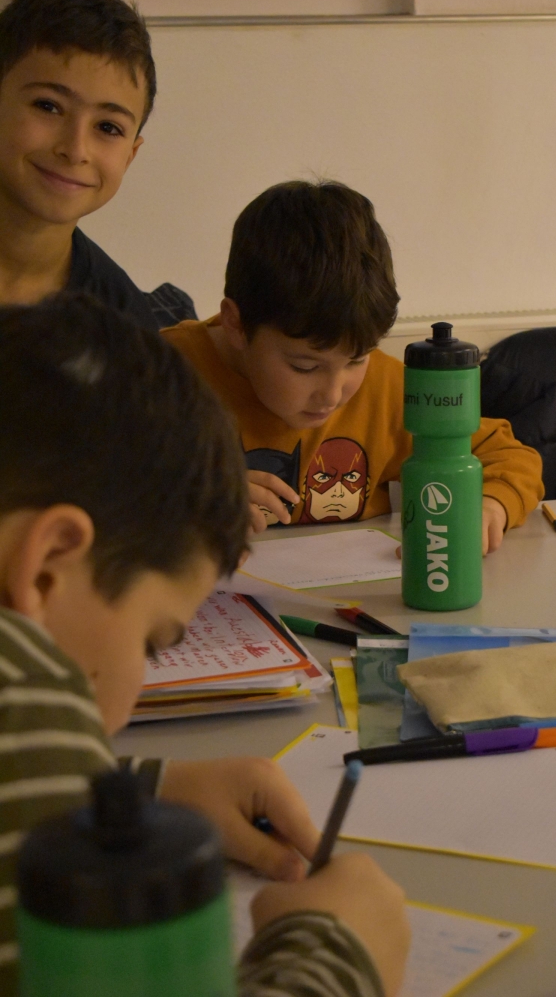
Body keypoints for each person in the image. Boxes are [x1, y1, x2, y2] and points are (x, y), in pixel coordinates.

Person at [0, 292, 409, 997]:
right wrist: (336, 953)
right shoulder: (19, 696)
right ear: (46, 566)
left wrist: (134, 788)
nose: (119, 714)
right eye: (151, 641)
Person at [164, 180, 543, 552]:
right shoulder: (156, 377)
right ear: (236, 324)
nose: (333, 394)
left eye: (357, 359)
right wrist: (178, 499)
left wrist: (490, 505)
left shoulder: (386, 388)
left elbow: (510, 456)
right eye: (305, 367)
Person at [0, 0, 190, 329]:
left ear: (130, 156)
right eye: (48, 106)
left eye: (107, 128)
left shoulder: (122, 325)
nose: (75, 150)